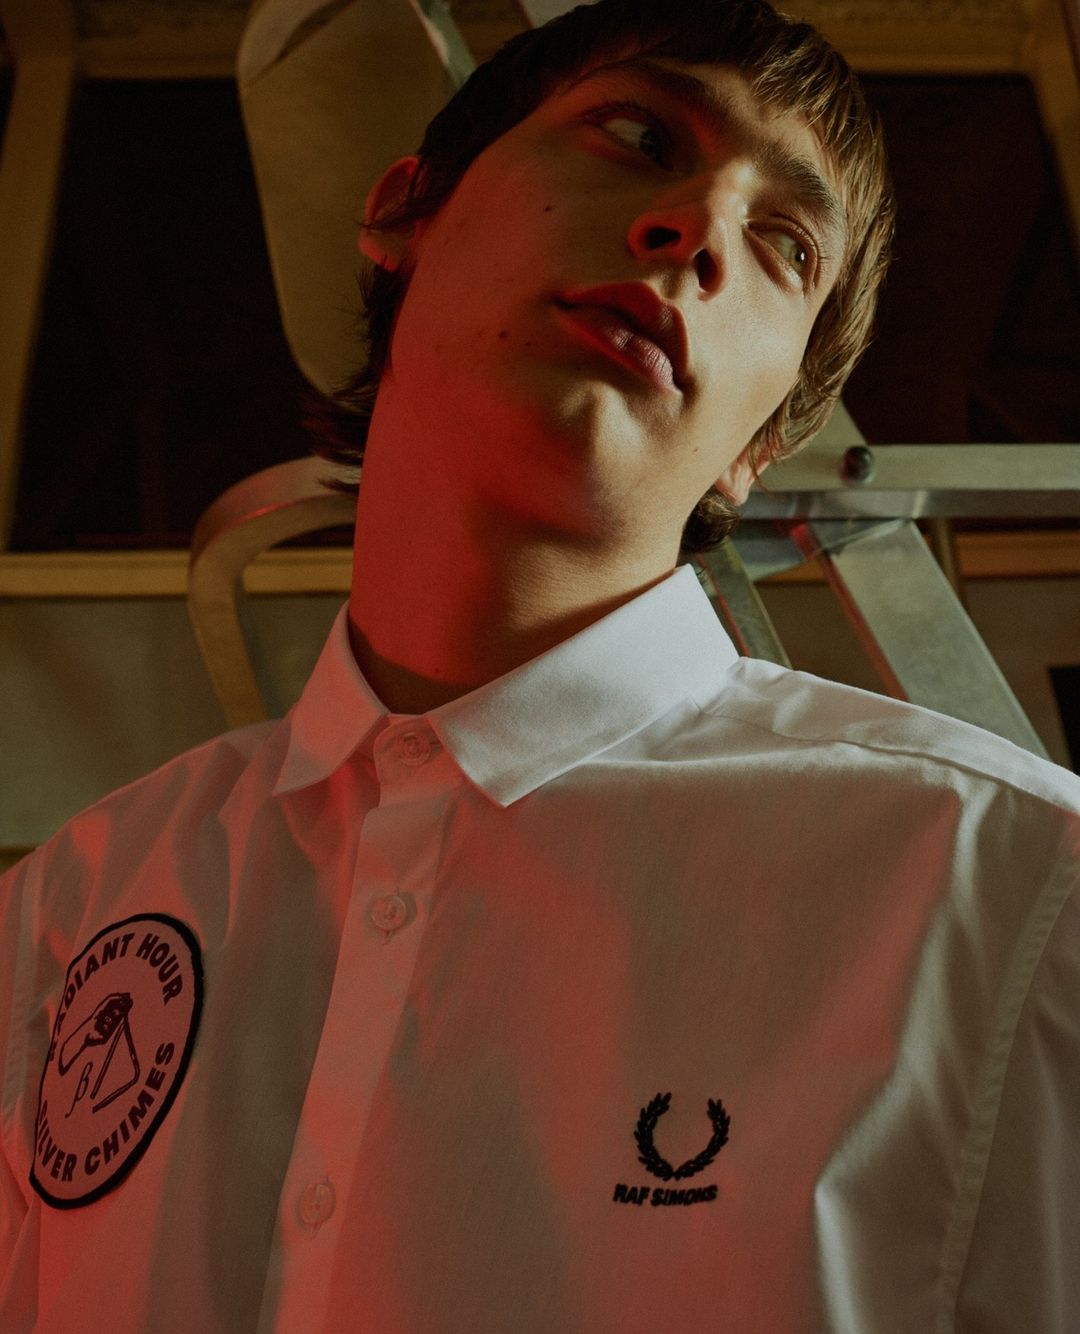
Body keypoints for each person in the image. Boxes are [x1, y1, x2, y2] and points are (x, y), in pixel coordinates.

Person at [1, 0, 1077, 1330]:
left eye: (785, 244)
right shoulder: (71, 909)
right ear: (404, 214)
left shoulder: (1014, 889)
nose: (699, 232)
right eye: (638, 136)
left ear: (765, 443)